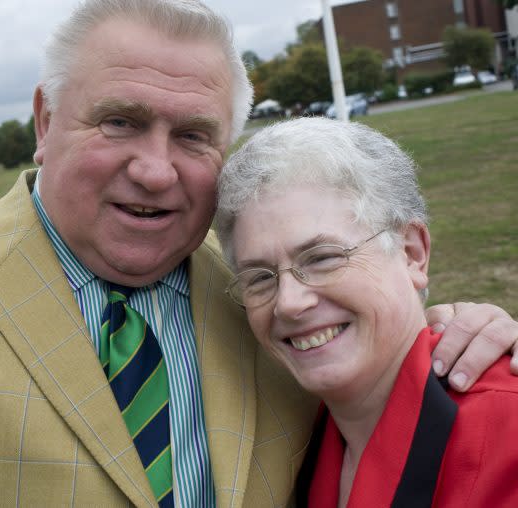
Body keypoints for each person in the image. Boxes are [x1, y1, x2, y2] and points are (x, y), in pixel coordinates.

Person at [0, 1, 517, 506]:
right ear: (44, 118)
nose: (156, 170)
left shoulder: (270, 315)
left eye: (193, 134)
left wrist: (462, 328)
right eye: (121, 121)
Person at [215, 117, 518, 507]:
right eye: (259, 277)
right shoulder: (300, 436)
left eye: (322, 258)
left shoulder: (506, 428)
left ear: (412, 252)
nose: (288, 302)